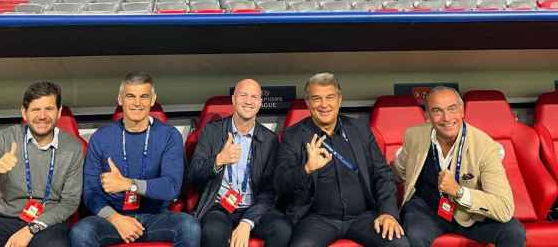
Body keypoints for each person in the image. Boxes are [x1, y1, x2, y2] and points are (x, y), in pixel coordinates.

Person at [275, 72, 408, 247]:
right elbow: (280, 183)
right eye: (316, 99)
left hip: (363, 217)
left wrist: (388, 213)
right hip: (316, 220)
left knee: (398, 244)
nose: (324, 105)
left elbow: (382, 174)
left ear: (339, 99)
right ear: (307, 103)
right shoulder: (293, 136)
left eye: (330, 97)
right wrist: (306, 169)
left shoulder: (360, 129)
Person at [69, 72, 200, 247]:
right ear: (120, 99)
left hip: (157, 217)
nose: (137, 103)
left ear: (153, 100)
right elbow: (90, 192)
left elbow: (172, 187)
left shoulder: (169, 135)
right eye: (130, 96)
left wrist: (129, 184)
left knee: (190, 227)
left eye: (144, 96)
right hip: (114, 218)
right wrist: (115, 219)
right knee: (81, 232)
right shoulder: (101, 137)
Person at [393, 86, 526, 246]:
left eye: (452, 109)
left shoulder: (486, 147)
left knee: (513, 231)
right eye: (437, 111)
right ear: (427, 116)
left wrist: (459, 192)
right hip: (425, 210)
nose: (446, 118)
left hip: (470, 214)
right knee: (413, 235)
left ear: (462, 111)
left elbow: (504, 208)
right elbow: (399, 171)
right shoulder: (414, 136)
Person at [0, 81, 84, 247]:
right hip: (2, 219)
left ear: (59, 112)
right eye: (35, 109)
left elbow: (70, 202)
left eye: (49, 109)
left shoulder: (73, 147)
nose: (42, 116)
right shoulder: (6, 138)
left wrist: (31, 229)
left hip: (48, 222)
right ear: (24, 113)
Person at [189, 79, 292, 247]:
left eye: (254, 97)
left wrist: (248, 221)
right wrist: (218, 160)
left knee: (282, 229)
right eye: (243, 95)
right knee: (213, 231)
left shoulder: (270, 140)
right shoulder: (212, 131)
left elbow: (270, 190)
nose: (248, 101)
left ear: (259, 103)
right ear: (233, 99)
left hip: (254, 206)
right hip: (219, 206)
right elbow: (194, 175)